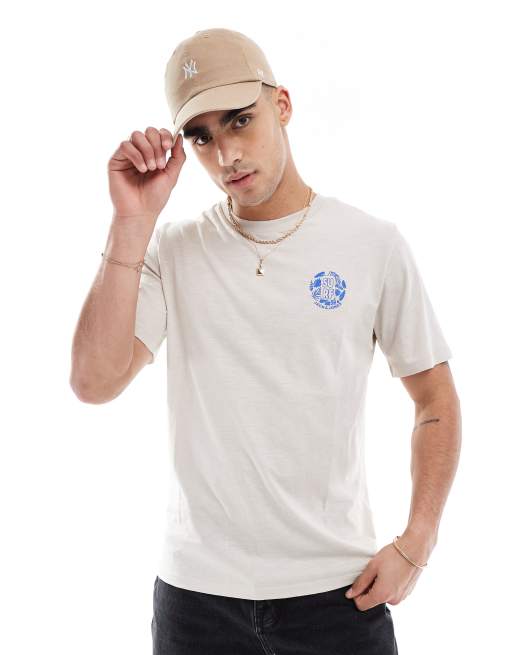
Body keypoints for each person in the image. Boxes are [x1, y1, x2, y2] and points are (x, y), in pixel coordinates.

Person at [70, 27, 462, 655]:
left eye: (240, 120)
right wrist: (131, 221)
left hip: (338, 594)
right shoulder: (173, 249)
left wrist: (417, 543)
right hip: (196, 603)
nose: (226, 154)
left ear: (282, 105)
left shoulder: (371, 245)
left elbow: (435, 399)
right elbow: (94, 381)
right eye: (201, 136)